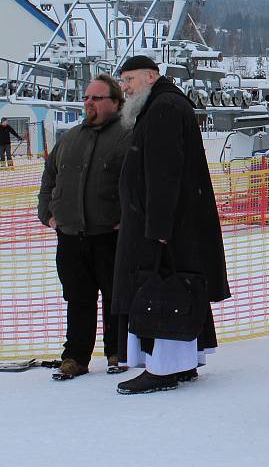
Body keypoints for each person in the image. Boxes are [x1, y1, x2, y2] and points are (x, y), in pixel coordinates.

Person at [111, 55, 230, 394]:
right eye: (123, 80)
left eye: (130, 79)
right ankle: (181, 363)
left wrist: (159, 230)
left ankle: (164, 368)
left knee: (164, 292)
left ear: (151, 76)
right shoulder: (164, 105)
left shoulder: (164, 108)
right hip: (170, 225)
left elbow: (165, 175)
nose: (125, 87)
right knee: (176, 290)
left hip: (166, 229)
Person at [37, 74, 131, 380]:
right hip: (70, 235)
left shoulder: (128, 136)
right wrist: (47, 213)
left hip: (110, 236)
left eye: (96, 98)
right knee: (77, 298)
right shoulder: (70, 138)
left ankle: (117, 352)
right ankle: (75, 357)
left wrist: (129, 217)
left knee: (116, 297)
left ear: (115, 103)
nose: (88, 102)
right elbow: (49, 177)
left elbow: (141, 182)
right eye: (86, 97)